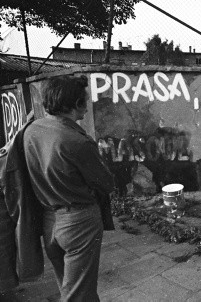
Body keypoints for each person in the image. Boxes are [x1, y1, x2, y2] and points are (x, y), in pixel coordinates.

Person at [23, 75, 115, 301]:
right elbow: (107, 183)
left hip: (48, 219)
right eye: (84, 101)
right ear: (75, 105)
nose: (86, 108)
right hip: (79, 223)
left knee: (70, 285)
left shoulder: (32, 130)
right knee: (77, 294)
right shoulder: (77, 141)